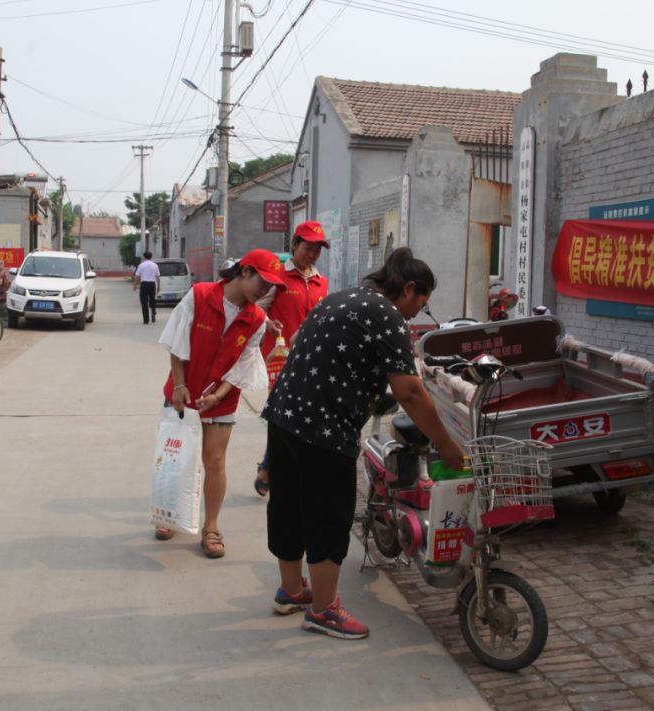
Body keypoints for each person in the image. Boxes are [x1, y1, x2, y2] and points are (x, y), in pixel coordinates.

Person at [262, 247, 464, 640]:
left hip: (284, 414)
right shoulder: (387, 316)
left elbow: (319, 349)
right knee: (327, 516)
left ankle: (291, 591)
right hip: (323, 429)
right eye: (420, 305)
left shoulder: (343, 297)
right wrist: (448, 444)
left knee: (288, 505)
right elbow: (410, 392)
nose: (414, 314)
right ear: (407, 289)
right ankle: (323, 610)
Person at [155, 249, 286, 558]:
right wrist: (181, 385)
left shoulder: (256, 319)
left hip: (222, 399)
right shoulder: (200, 296)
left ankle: (211, 526)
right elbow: (177, 342)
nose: (265, 291)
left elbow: (243, 363)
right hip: (183, 392)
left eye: (271, 287)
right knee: (178, 456)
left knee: (215, 461)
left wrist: (219, 395)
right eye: (262, 283)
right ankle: (168, 514)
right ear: (244, 272)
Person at [252, 220, 331, 496]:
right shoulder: (278, 279)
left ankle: (270, 469)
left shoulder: (322, 283)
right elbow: (255, 310)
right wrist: (268, 323)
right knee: (282, 417)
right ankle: (270, 469)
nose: (311, 255)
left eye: (317, 251)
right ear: (295, 244)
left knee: (295, 417)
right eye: (307, 248)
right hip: (280, 362)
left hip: (311, 362)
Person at [134, 251, 160, 324]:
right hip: (152, 284)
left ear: (144, 257)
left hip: (144, 284)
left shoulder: (141, 265)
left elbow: (137, 276)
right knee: (152, 299)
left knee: (144, 302)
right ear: (151, 257)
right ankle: (153, 310)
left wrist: (135, 285)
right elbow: (158, 277)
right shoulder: (155, 265)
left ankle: (146, 320)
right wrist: (158, 286)